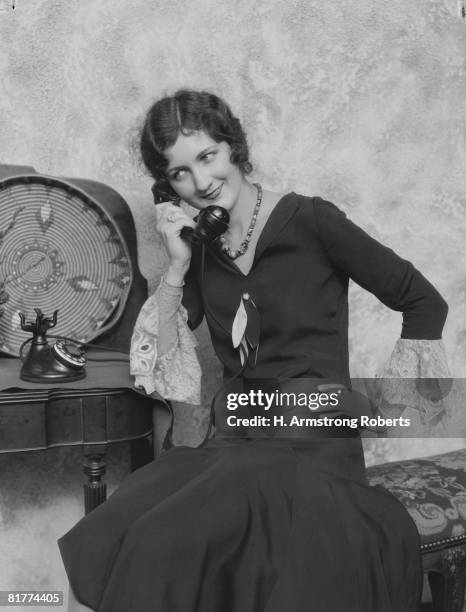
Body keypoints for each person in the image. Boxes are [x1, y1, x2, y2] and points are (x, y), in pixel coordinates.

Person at [59, 89, 449, 611]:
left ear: (233, 148)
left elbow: (424, 302)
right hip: (238, 441)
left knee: (190, 532)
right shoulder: (200, 251)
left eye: (207, 157)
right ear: (166, 187)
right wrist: (177, 265)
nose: (199, 183)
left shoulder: (312, 221)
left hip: (313, 442)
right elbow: (153, 365)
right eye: (179, 174)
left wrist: (391, 412)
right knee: (143, 530)